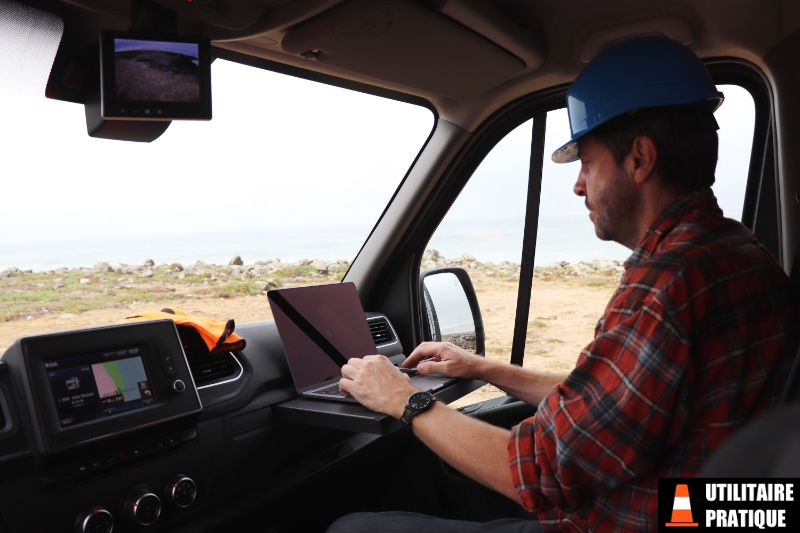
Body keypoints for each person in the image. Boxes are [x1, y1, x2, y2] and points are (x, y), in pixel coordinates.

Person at [327, 36, 800, 532]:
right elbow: (610, 406)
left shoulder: (668, 283)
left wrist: (405, 399)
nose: (578, 184)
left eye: (587, 161)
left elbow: (544, 473)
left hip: (627, 520)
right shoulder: (738, 252)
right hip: (691, 509)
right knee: (426, 473)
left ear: (639, 158)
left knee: (350, 528)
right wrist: (483, 368)